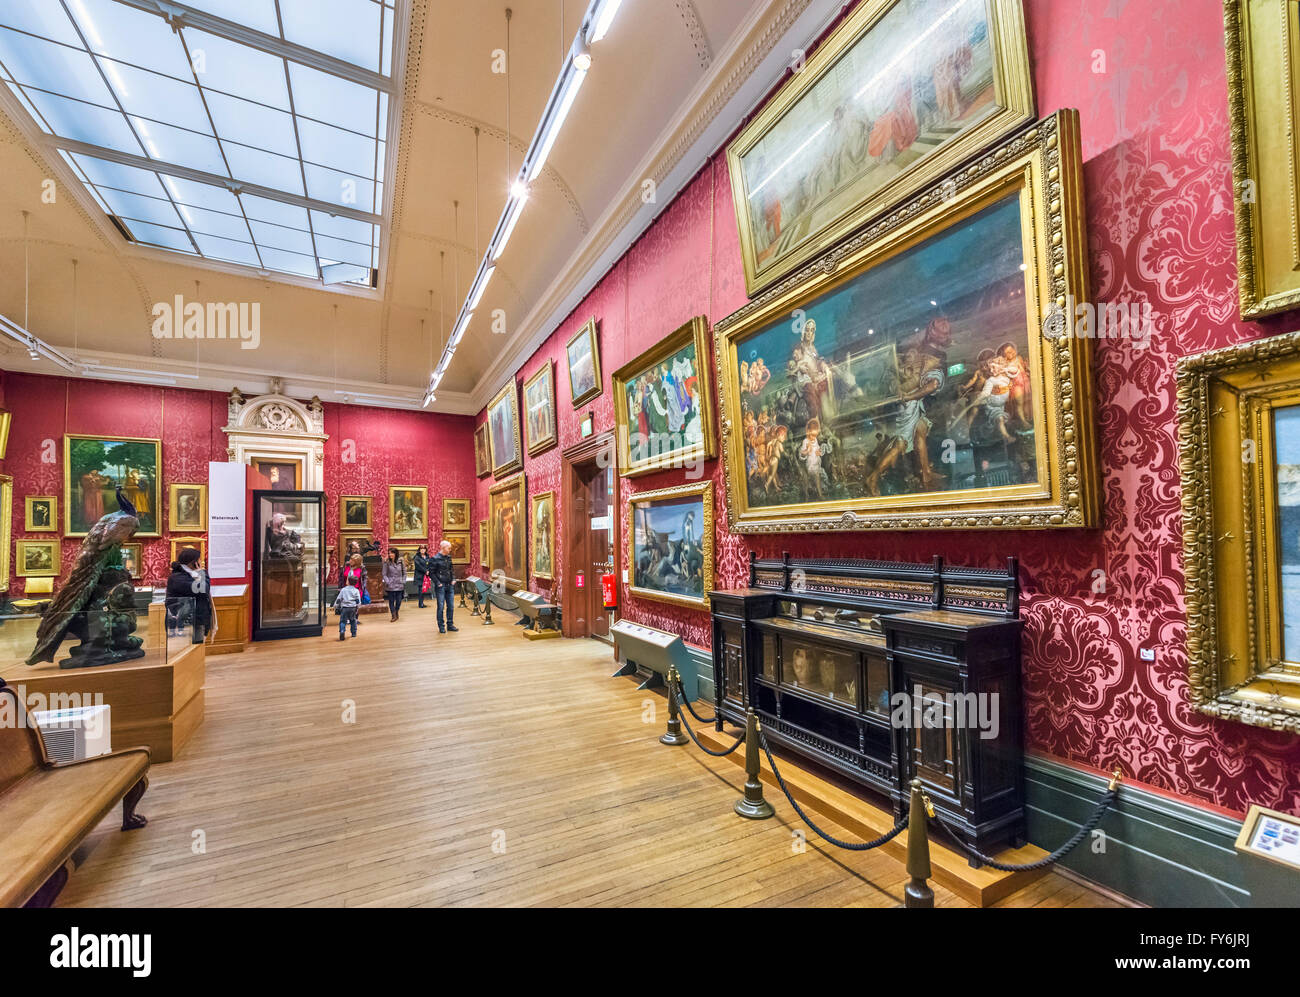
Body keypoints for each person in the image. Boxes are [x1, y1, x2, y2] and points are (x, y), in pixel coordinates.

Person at [165, 547, 216, 644]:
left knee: (197, 651)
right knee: (191, 652)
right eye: (199, 560)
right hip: (186, 623)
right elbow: (203, 589)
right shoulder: (178, 577)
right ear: (193, 562)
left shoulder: (190, 575)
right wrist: (202, 572)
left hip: (195, 620)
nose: (201, 562)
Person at [430, 539, 457, 633]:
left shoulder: (448, 557)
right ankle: (441, 626)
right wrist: (438, 583)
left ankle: (450, 624)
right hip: (441, 586)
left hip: (449, 585)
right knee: (441, 607)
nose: (450, 549)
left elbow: (451, 570)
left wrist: (453, 579)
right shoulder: (435, 558)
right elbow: (431, 573)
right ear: (443, 548)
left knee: (451, 606)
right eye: (449, 548)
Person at [382, 547, 406, 621]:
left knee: (399, 600)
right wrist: (388, 581)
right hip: (390, 584)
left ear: (396, 554)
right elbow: (384, 574)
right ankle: (393, 615)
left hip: (399, 584)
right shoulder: (387, 562)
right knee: (391, 600)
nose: (390, 555)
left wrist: (403, 581)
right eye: (389, 553)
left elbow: (404, 573)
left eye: (392, 553)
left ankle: (396, 611)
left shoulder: (401, 561)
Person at [334, 576, 361, 641]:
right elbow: (358, 600)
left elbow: (339, 599)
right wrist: (357, 607)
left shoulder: (343, 590)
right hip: (353, 607)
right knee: (353, 620)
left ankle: (342, 631)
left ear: (348, 582)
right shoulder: (356, 590)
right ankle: (353, 633)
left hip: (345, 608)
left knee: (343, 621)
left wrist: (336, 606)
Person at [413, 544, 431, 608]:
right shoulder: (417, 557)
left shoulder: (427, 556)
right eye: (421, 549)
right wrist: (425, 571)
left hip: (426, 575)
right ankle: (420, 604)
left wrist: (429, 570)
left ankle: (422, 602)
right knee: (421, 590)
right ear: (419, 550)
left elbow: (430, 564)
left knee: (424, 590)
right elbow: (418, 566)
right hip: (419, 576)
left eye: (424, 549)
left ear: (426, 550)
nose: (422, 550)